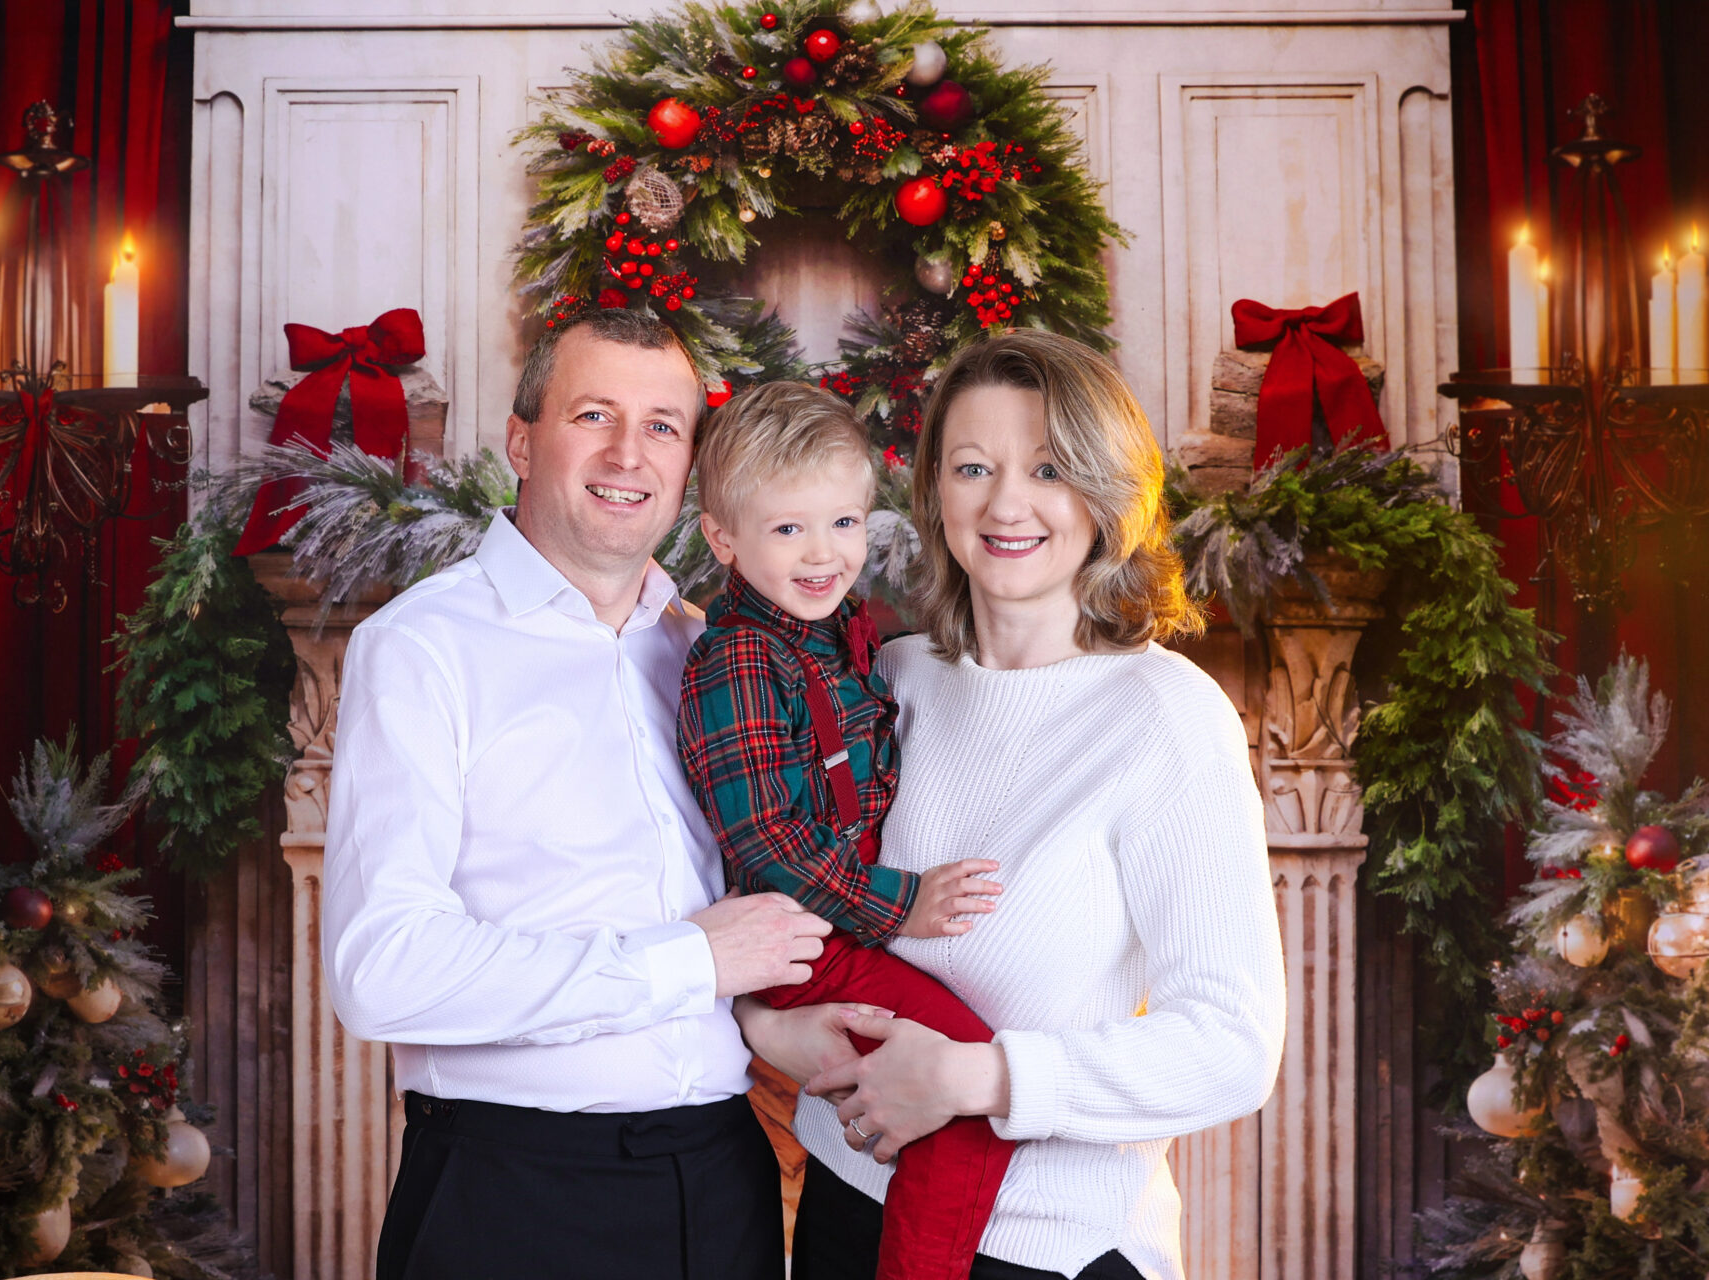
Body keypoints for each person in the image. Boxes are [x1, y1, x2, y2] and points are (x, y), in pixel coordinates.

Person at [321, 308, 842, 1280]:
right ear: (522, 439)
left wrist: (788, 1022)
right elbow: (381, 966)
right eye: (594, 414)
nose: (628, 453)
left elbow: (754, 921)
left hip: (722, 1179)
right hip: (512, 1193)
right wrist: (681, 961)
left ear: (690, 461)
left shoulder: (711, 653)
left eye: (662, 425)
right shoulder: (422, 646)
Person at [777, 329, 1288, 1280]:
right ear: (934, 490)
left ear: (1105, 491)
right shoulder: (889, 679)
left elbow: (1233, 1045)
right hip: (847, 1210)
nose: (1006, 503)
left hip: (1040, 1245)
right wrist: (772, 1028)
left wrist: (980, 1079)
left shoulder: (1164, 717)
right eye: (973, 467)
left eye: (1049, 468)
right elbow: (784, 894)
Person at [677, 380, 1018, 1280]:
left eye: (844, 524)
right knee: (972, 1086)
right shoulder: (738, 660)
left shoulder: (838, 634)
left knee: (953, 1082)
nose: (824, 554)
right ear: (724, 539)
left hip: (837, 929)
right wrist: (903, 903)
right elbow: (770, 850)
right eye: (788, 530)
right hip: (804, 938)